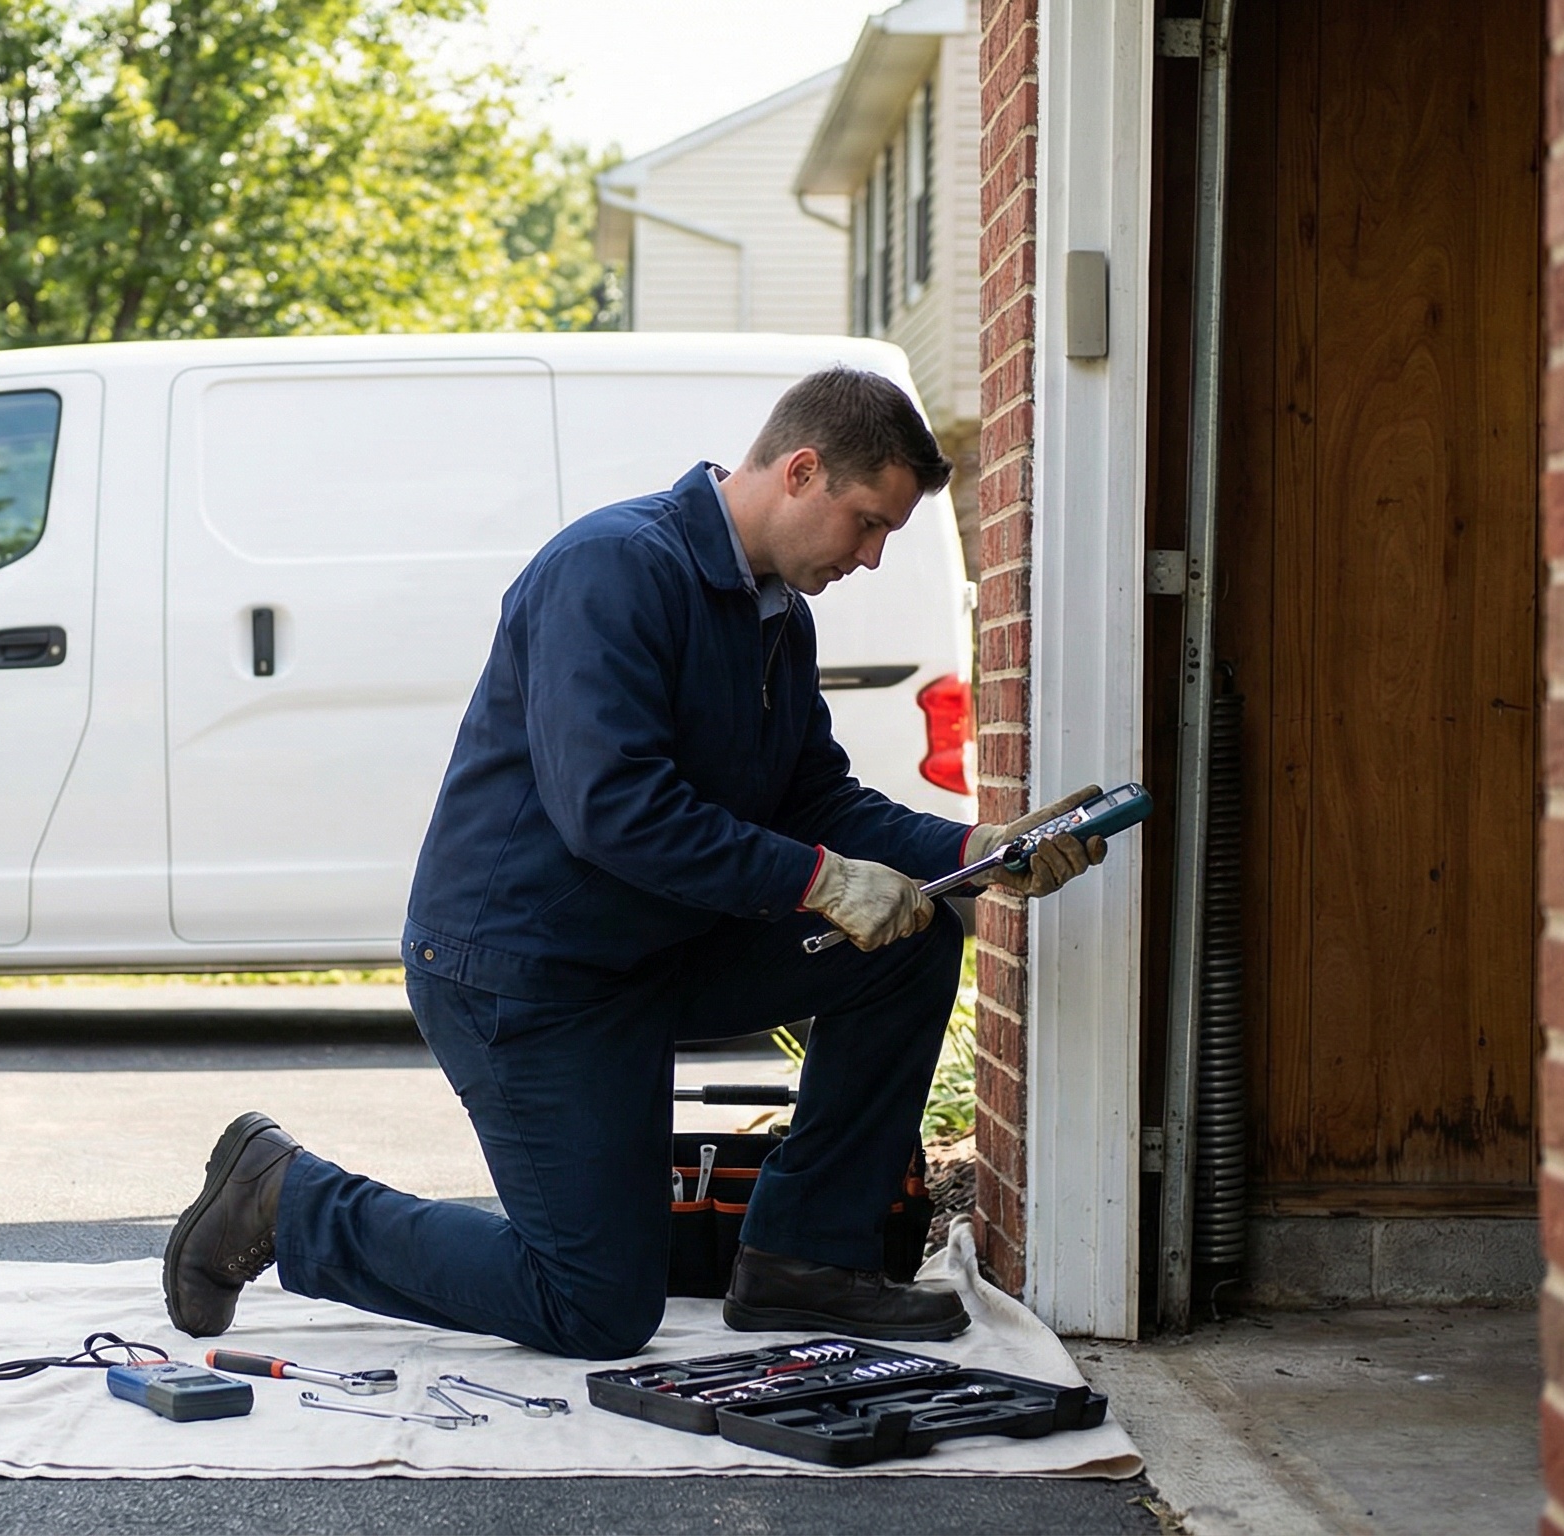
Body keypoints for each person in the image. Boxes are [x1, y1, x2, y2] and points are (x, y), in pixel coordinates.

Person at [161, 367, 1106, 1359]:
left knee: (905, 947)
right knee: (593, 1306)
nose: (872, 557)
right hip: (525, 974)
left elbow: (814, 797)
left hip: (656, 951)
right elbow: (611, 810)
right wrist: (820, 882)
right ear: (800, 471)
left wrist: (977, 853)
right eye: (868, 523)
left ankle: (805, 1264)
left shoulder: (775, 612)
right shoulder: (611, 569)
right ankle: (284, 1197)